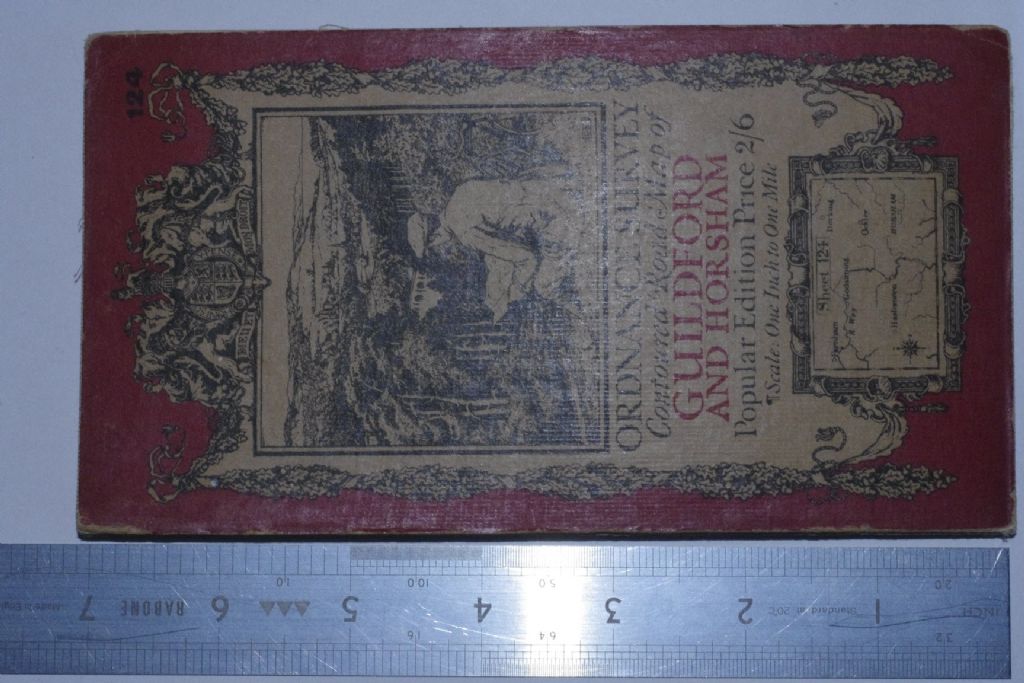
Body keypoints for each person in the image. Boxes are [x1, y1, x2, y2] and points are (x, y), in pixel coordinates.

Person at [407, 172, 580, 320]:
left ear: (434, 238)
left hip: (555, 220)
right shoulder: (461, 191)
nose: (441, 250)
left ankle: (587, 317)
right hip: (545, 188)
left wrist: (515, 294)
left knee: (543, 287)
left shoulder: (463, 231)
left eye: (434, 249)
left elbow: (527, 258)